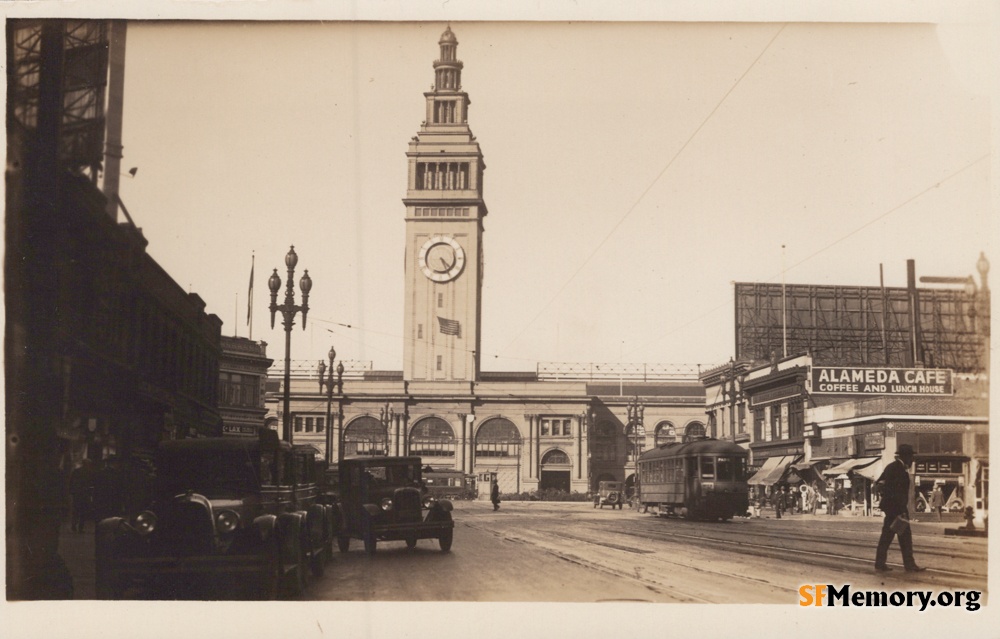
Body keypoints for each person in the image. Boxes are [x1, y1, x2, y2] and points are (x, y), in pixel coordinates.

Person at [874, 444, 925, 572]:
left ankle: (880, 563)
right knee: (904, 538)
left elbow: (879, 483)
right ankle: (909, 565)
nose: (912, 459)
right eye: (911, 456)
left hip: (893, 509)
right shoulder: (898, 469)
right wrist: (900, 510)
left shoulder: (892, 467)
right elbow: (895, 491)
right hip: (897, 510)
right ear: (906, 456)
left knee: (888, 537)